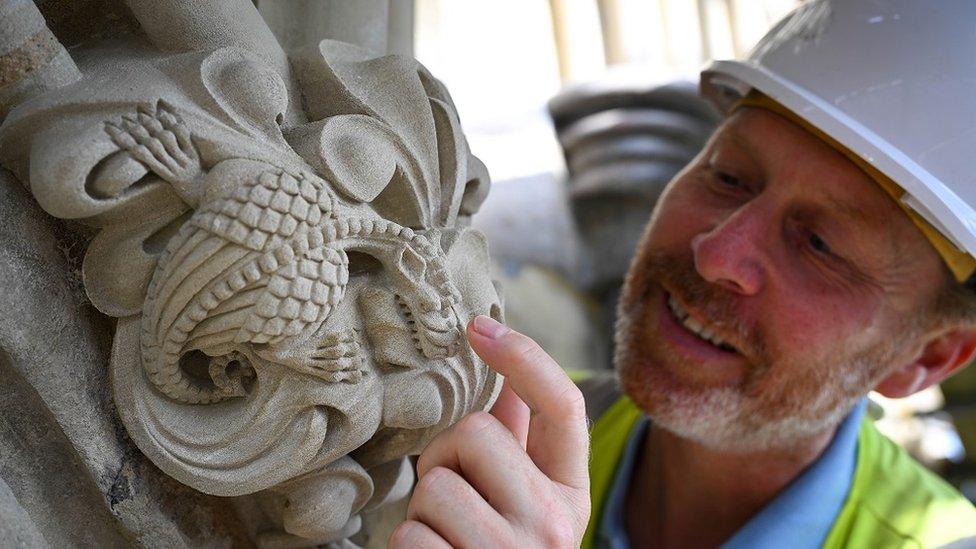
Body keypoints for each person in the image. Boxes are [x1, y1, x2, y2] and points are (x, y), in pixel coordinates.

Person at [389, 1, 976, 547]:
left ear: (925, 357)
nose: (716, 253)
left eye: (821, 245)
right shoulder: (483, 432)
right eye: (727, 176)